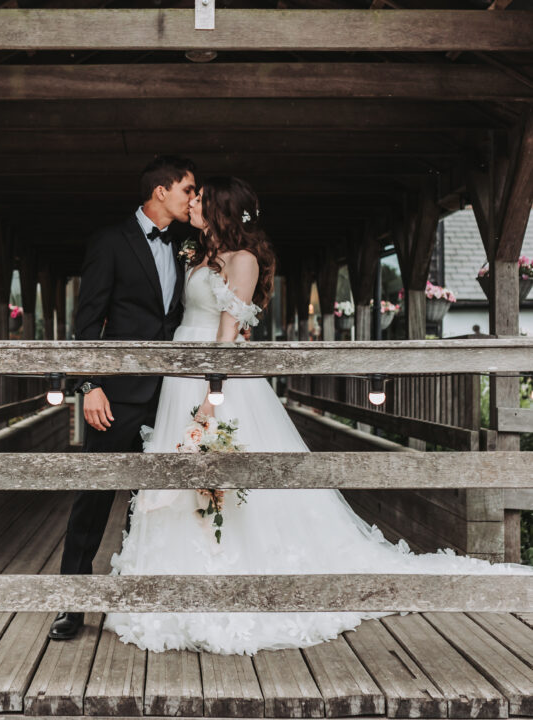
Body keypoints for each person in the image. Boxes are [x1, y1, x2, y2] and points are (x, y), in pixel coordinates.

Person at [104, 175, 530, 655]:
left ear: (222, 209)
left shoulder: (241, 261)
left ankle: (233, 575)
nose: (195, 203)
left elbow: (229, 334)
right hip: (180, 372)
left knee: (225, 470)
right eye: (193, 196)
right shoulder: (199, 253)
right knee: (181, 472)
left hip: (211, 378)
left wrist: (211, 394)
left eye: (203, 199)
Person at [48, 155, 196, 641]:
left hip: (171, 396)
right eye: (187, 190)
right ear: (160, 191)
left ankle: (137, 601)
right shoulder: (110, 242)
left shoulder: (186, 246)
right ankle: (72, 606)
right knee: (93, 499)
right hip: (114, 396)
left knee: (153, 501)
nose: (192, 199)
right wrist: (88, 386)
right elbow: (87, 324)